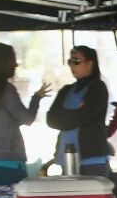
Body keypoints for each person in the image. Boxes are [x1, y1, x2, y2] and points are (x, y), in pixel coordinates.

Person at [0, 42, 51, 185]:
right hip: (8, 163)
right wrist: (36, 98)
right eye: (13, 60)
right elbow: (27, 119)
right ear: (4, 63)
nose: (16, 65)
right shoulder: (6, 90)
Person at [46, 45, 110, 176]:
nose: (72, 65)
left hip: (92, 161)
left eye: (76, 61)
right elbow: (51, 119)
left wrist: (64, 116)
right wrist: (76, 114)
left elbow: (85, 115)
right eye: (70, 62)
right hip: (66, 159)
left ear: (90, 64)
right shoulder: (65, 90)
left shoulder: (98, 88)